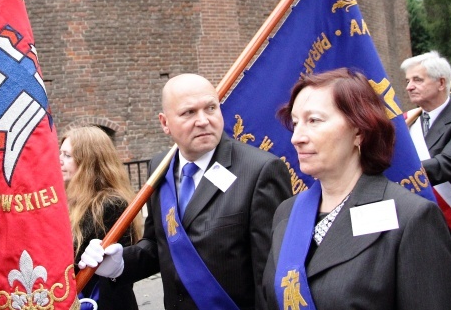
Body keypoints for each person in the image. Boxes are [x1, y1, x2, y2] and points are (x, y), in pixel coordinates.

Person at [79, 73, 292, 310]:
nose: (203, 120)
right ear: (165, 123)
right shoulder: (160, 168)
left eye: (211, 108)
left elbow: (272, 274)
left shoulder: (260, 171)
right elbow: (158, 244)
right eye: (189, 113)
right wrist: (120, 264)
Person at [263, 68, 451, 309]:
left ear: (359, 131)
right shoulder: (287, 213)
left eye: (313, 120)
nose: (297, 137)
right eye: (295, 123)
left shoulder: (411, 218)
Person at [401, 51, 451, 310]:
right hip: (423, 234)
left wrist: (399, 172)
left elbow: (448, 164)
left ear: (441, 82)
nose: (409, 86)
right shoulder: (410, 123)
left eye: (418, 80)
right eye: (408, 80)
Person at [60, 126, 142, 310]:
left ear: (88, 160)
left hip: (101, 302)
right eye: (60, 153)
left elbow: (115, 271)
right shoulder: (65, 200)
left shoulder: (111, 204)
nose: (59, 161)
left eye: (67, 155)